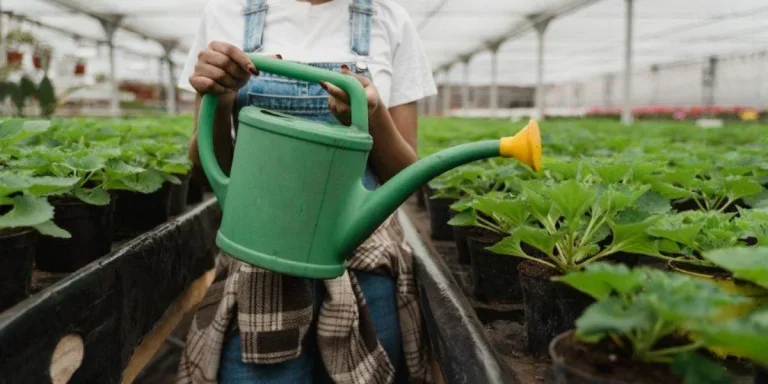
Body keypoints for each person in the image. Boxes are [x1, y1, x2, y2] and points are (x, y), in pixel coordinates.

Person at [176, 0, 437, 383]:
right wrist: (223, 96)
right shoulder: (225, 14)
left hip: (363, 258)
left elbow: (403, 176)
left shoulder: (389, 18)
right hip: (260, 261)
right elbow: (208, 169)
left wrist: (371, 116)